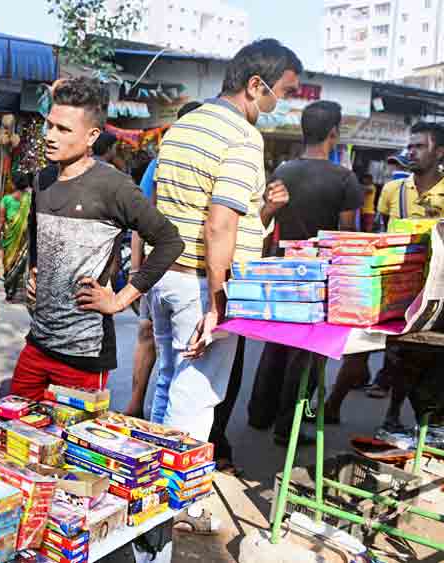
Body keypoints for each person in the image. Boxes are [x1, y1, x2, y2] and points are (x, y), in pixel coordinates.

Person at [150, 38, 300, 533]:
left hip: (169, 276)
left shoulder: (185, 125)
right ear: (256, 86)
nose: (284, 104)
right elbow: (219, 224)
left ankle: (151, 485)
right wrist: (219, 300)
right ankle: (180, 506)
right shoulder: (242, 136)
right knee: (197, 400)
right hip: (198, 282)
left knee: (169, 385)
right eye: (283, 92)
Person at [10, 77, 183, 401]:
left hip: (84, 354)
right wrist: (36, 272)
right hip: (36, 343)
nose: (50, 136)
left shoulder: (112, 186)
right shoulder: (43, 179)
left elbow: (169, 242)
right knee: (15, 438)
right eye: (50, 126)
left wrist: (120, 299)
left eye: (63, 130)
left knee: (72, 446)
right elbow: (37, 231)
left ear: (92, 136)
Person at [247, 101, 364, 445]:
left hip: (282, 268)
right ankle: (288, 426)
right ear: (333, 133)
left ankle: (259, 414)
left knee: (277, 341)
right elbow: (346, 235)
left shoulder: (283, 171)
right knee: (309, 353)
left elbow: (266, 218)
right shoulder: (344, 177)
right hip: (321, 272)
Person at [127, 101, 202, 419]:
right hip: (164, 270)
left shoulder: (197, 165)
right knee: (155, 341)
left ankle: (155, 422)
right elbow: (142, 221)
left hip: (176, 271)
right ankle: (137, 405)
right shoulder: (160, 164)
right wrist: (135, 270)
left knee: (174, 363)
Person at [372, 122, 444, 431]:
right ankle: (393, 413)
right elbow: (379, 234)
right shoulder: (392, 190)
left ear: (439, 152)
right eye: (410, 146)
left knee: (432, 359)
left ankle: (428, 422)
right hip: (399, 288)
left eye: (420, 146)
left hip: (439, 289)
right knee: (400, 356)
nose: (411, 152)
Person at [0, 171, 32, 303]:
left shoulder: (6, 199)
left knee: (8, 264)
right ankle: (15, 292)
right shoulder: (30, 198)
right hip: (25, 238)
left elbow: (0, 220)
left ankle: (10, 292)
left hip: (10, 238)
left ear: (15, 183)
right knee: (20, 264)